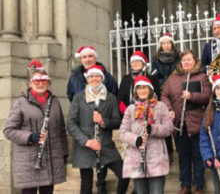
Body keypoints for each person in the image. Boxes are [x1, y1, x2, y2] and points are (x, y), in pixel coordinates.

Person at [3, 60, 68, 194]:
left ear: (48, 82)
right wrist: (30, 137)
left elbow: (61, 130)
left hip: (51, 160)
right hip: (29, 162)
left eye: (44, 80)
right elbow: (8, 130)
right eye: (36, 80)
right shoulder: (21, 102)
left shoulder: (55, 102)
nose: (40, 83)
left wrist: (64, 154)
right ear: (30, 83)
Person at [67, 65, 129, 194]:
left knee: (125, 175)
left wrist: (103, 121)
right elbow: (71, 124)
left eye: (97, 76)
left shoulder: (110, 97)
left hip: (105, 145)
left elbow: (117, 122)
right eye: (91, 76)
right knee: (86, 186)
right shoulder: (79, 97)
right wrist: (86, 141)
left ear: (102, 78)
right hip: (85, 146)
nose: (94, 79)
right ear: (87, 79)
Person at [161, 49, 212, 194]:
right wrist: (169, 109)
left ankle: (198, 185)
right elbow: (164, 96)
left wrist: (192, 96)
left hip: (197, 125)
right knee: (183, 157)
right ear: (180, 63)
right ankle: (185, 185)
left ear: (195, 61)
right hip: (179, 125)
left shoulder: (203, 77)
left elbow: (208, 96)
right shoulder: (173, 79)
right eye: (184, 60)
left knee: (197, 156)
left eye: (189, 59)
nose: (187, 62)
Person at [119, 75, 174, 194]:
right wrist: (136, 140)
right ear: (135, 91)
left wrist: (153, 129)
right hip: (136, 158)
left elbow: (169, 128)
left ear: (150, 90)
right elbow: (122, 132)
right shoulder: (131, 109)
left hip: (156, 157)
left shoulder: (160, 107)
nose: (142, 91)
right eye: (139, 88)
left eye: (145, 88)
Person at [150, 32, 180, 164]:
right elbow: (154, 77)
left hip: (176, 92)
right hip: (163, 93)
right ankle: (169, 151)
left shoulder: (179, 57)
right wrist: (163, 84)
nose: (166, 45)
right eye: (163, 43)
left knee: (177, 120)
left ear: (172, 44)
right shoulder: (155, 59)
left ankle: (180, 149)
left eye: (168, 43)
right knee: (165, 121)